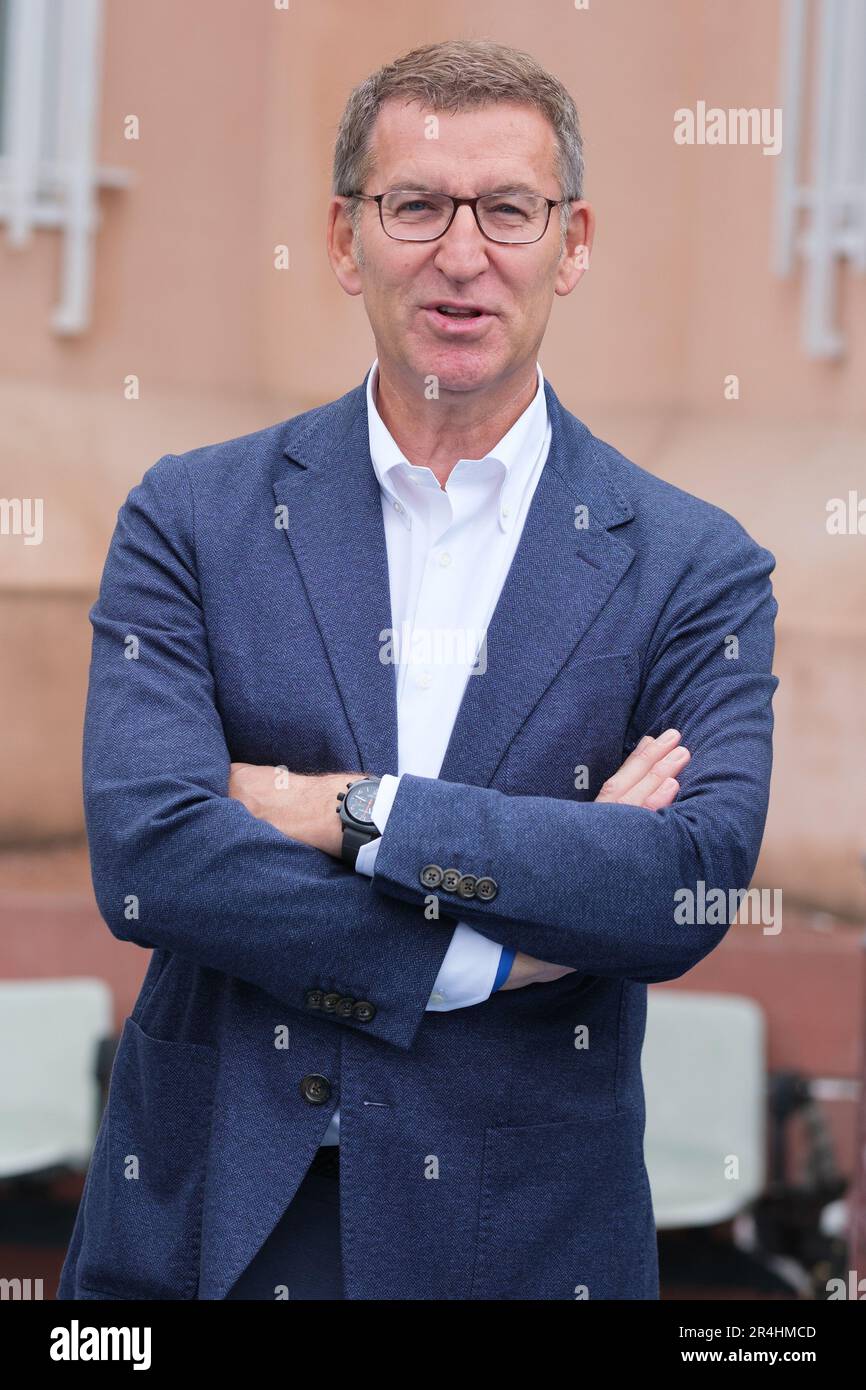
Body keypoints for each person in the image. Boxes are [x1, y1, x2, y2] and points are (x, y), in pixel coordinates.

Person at [57, 38, 777, 1302]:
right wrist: (494, 951)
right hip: (213, 1214)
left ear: (573, 241)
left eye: (507, 208)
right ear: (344, 240)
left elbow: (682, 888)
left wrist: (351, 811)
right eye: (415, 205)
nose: (461, 253)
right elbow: (149, 855)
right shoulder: (192, 517)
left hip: (521, 1237)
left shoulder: (691, 564)